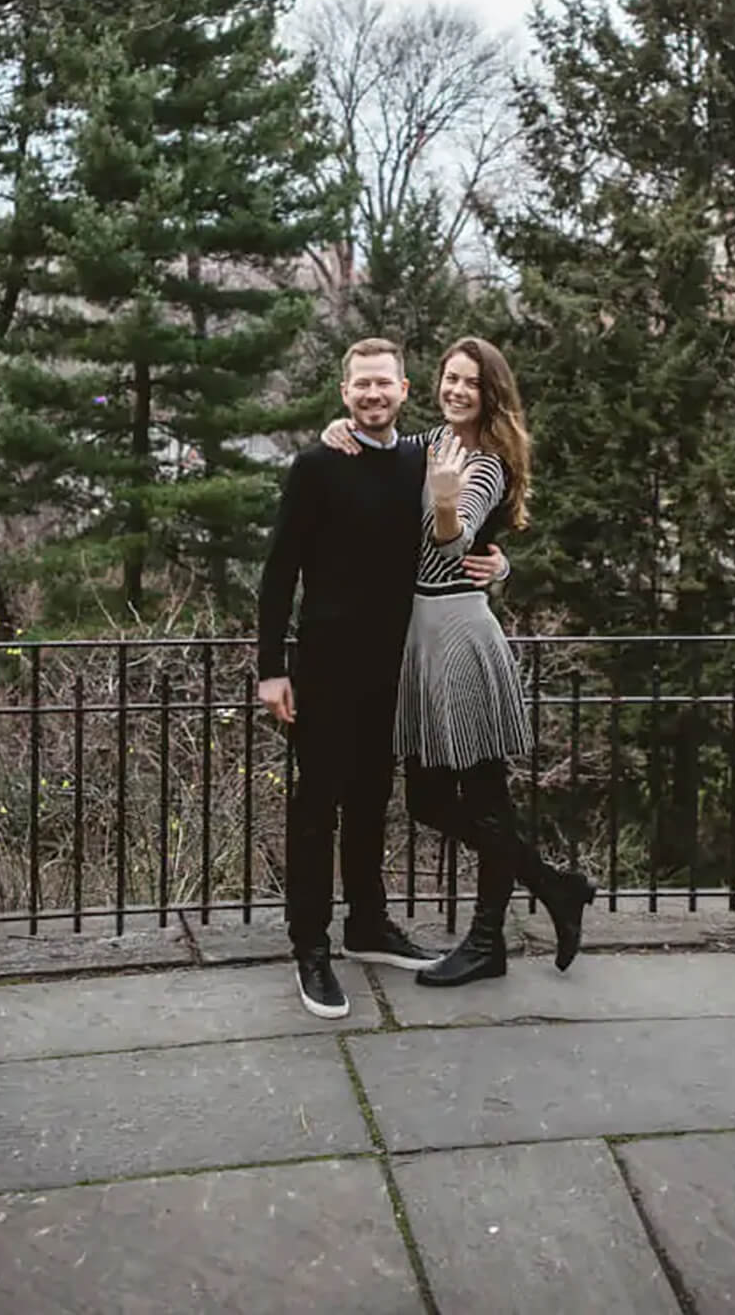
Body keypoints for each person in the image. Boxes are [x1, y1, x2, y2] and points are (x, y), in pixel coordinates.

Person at [323, 336, 594, 987]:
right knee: (429, 798)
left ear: (489, 392)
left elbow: (458, 534)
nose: (457, 390)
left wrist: (447, 504)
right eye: (450, 378)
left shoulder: (484, 462)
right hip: (424, 635)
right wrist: (341, 429)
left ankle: (487, 941)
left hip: (458, 635)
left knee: (484, 795)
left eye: (471, 382)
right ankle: (554, 885)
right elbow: (380, 448)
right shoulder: (430, 445)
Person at [256, 337, 508, 1019]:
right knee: (317, 807)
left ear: (404, 389)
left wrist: (499, 562)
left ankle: (367, 923)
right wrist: (271, 668)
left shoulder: (419, 461)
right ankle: (310, 945)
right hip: (325, 667)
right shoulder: (316, 465)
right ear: (345, 393)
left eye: (383, 384)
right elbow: (279, 571)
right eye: (360, 385)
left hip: (394, 666)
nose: (372, 395)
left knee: (372, 800)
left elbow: (452, 537)